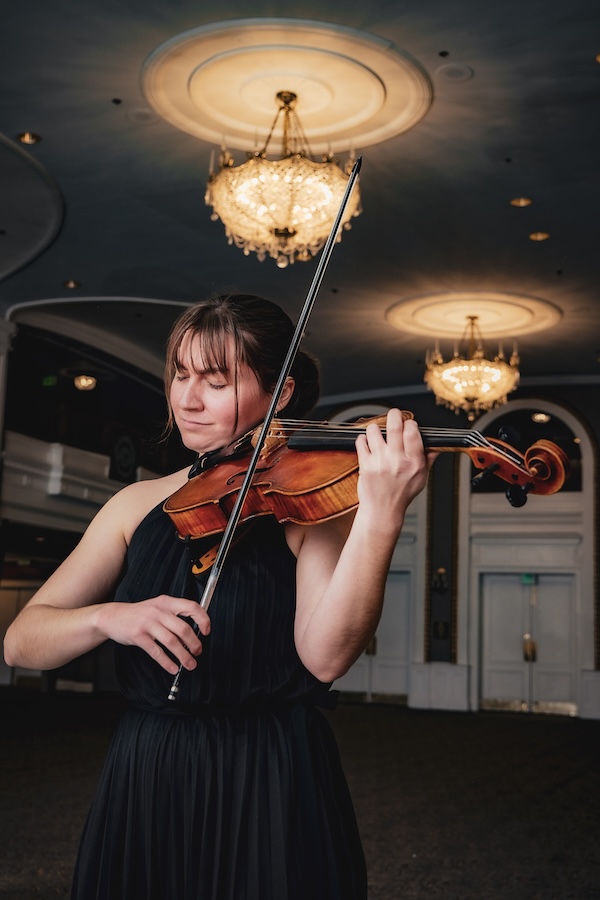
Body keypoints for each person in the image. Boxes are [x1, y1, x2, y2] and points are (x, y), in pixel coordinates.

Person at [3, 292, 434, 900]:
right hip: (150, 766)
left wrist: (382, 515)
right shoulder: (134, 505)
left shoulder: (307, 512)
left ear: (279, 393)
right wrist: (109, 618)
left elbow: (326, 658)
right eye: (180, 373)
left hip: (270, 771)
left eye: (215, 379)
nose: (187, 398)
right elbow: (21, 642)